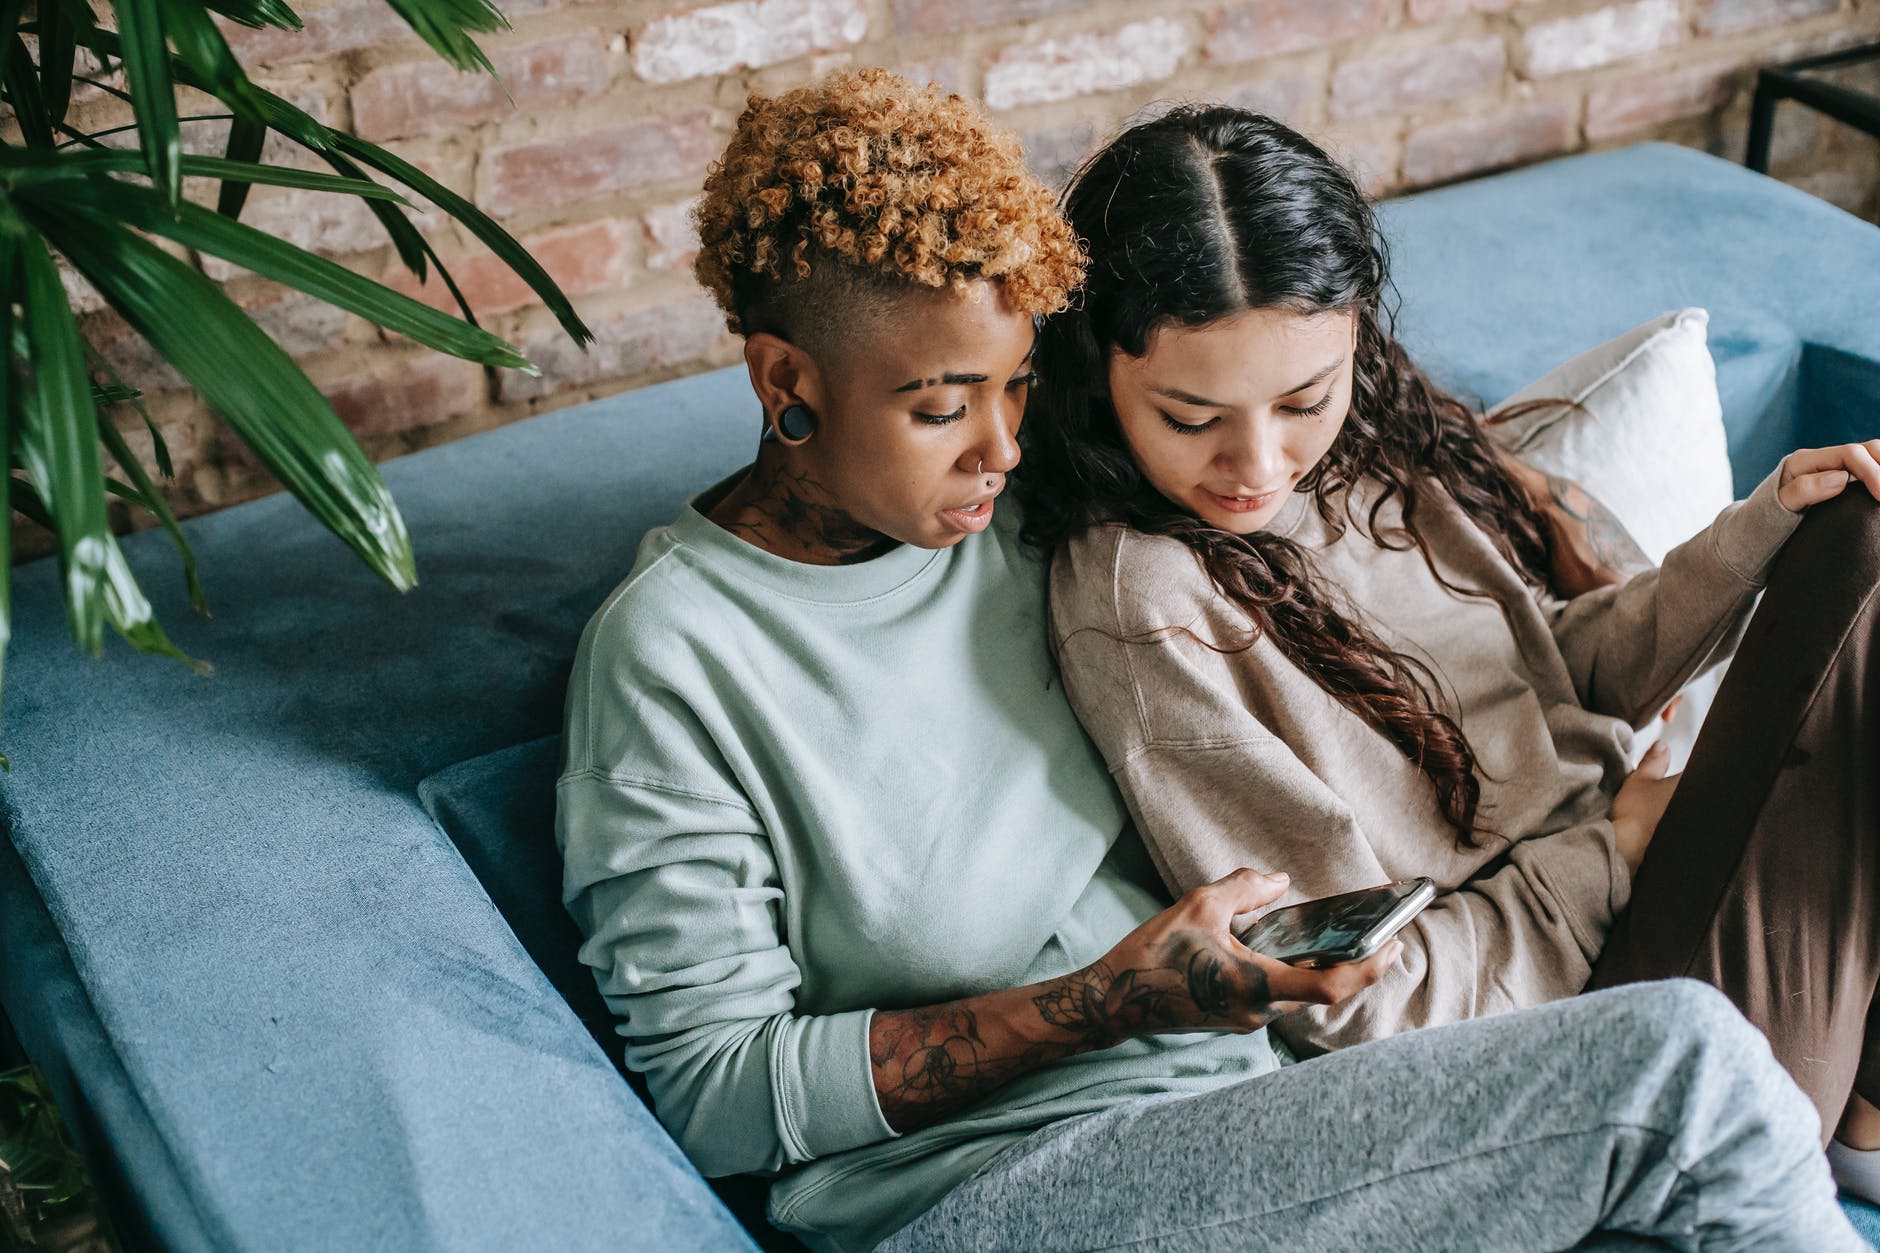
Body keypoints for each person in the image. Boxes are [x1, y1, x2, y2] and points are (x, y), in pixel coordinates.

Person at [554, 70, 1862, 1251]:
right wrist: (1105, 1001)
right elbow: (712, 1092)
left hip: (1266, 1111)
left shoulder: (1033, 503)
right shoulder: (676, 657)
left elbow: (1300, 471)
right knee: (1689, 1067)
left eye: (1016, 388)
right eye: (940, 407)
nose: (998, 450)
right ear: (787, 376)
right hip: (996, 1191)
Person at [1019, 103, 1880, 1206]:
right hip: (1596, 1022)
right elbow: (1353, 996)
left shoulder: (1375, 453)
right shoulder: (1146, 604)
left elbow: (1553, 670)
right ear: (1097, 372)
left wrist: (1755, 531)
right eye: (1190, 417)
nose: (1256, 461)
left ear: (1353, 337)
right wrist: (1609, 852)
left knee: (1841, 516)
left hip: (1661, 879)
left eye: (1301, 398)